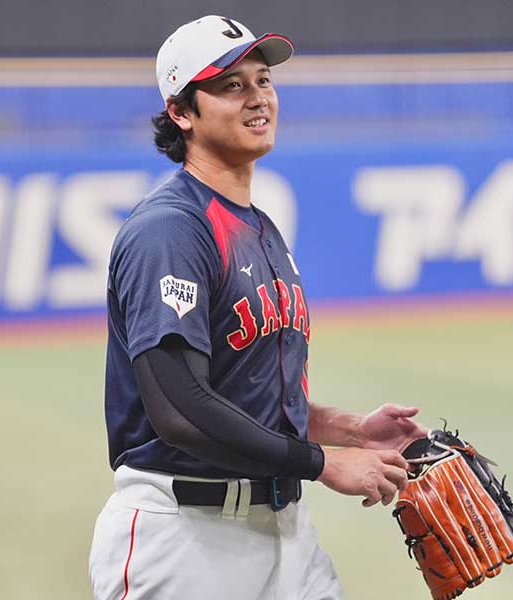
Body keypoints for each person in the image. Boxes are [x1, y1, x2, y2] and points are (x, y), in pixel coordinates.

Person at [88, 15, 427, 600]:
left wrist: (350, 428)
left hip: (285, 532)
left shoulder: (259, 227)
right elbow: (181, 410)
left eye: (263, 80)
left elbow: (247, 392)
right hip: (185, 538)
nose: (257, 98)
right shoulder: (171, 229)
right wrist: (323, 462)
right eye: (230, 85)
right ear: (181, 112)